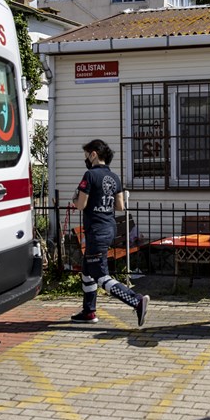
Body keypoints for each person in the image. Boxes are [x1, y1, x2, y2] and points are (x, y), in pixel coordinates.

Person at [70, 139, 149, 327]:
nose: (86, 159)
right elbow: (120, 206)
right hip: (108, 227)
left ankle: (135, 300)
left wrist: (75, 199)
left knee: (101, 276)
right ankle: (89, 312)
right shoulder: (115, 177)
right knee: (87, 272)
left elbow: (81, 204)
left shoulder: (89, 176)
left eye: (87, 155)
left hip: (96, 230)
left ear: (94, 154)